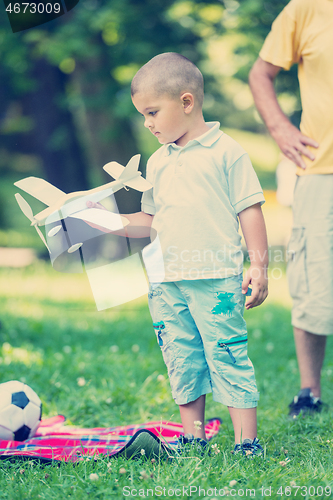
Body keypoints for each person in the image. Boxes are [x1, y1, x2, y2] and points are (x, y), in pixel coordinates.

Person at [91, 52, 268, 455]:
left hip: (216, 279)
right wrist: (110, 221)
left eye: (152, 112)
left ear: (186, 102)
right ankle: (192, 438)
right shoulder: (157, 162)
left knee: (227, 353)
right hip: (165, 282)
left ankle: (246, 443)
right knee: (182, 358)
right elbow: (150, 220)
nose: (147, 123)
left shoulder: (227, 152)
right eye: (143, 115)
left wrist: (258, 265)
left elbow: (250, 210)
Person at [249, 0, 333, 418]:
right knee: (313, 281)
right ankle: (309, 391)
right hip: (322, 169)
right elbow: (260, 72)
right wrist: (280, 127)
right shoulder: (306, 8)